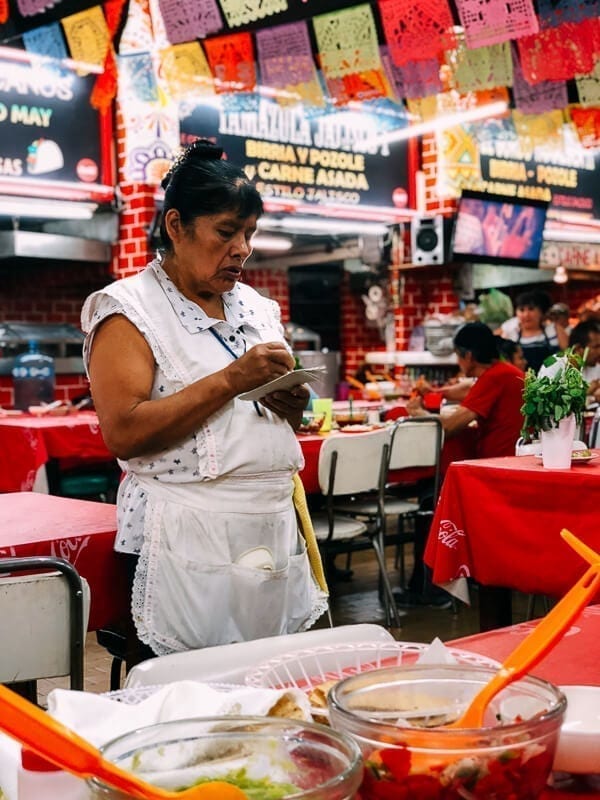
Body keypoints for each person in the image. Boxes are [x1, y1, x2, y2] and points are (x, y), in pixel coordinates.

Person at [81, 139, 328, 661]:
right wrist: (232, 379)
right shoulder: (129, 310)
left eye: (249, 234)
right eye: (225, 232)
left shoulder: (256, 308)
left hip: (269, 529)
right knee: (186, 699)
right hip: (179, 540)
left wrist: (290, 404)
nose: (242, 249)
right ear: (176, 226)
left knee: (269, 686)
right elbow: (123, 432)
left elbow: (277, 416)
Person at [407, 322, 525, 459]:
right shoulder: (504, 371)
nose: (457, 362)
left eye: (457, 355)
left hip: (499, 463)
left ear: (468, 356)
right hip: (511, 457)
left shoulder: (493, 378)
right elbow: (470, 390)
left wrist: (418, 412)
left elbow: (447, 427)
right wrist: (433, 391)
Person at [497, 290, 568, 373]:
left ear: (541, 312)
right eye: (521, 310)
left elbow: (569, 356)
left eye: (531, 309)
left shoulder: (554, 330)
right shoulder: (511, 332)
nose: (526, 314)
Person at [569, 320, 600, 402]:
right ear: (578, 348)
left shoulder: (597, 368)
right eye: (596, 347)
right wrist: (585, 392)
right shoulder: (556, 368)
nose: (599, 352)